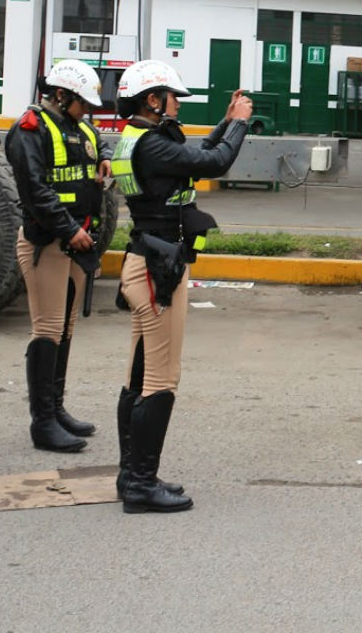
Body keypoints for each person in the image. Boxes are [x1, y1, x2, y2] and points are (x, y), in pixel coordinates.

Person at [111, 60, 251, 513]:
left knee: (138, 375)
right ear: (153, 100)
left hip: (145, 260)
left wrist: (226, 123)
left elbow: (194, 159)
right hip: (158, 269)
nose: (177, 104)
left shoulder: (140, 139)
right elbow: (216, 162)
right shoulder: (152, 145)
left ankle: (131, 474)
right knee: (161, 378)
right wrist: (241, 125)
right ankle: (141, 484)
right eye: (173, 97)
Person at [5, 59, 110, 453]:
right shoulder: (30, 129)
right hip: (47, 243)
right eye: (82, 102)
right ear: (61, 95)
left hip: (77, 244)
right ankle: (42, 422)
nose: (88, 110)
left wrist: (103, 155)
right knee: (47, 329)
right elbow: (34, 190)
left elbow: (96, 140)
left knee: (65, 328)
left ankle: (57, 408)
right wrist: (70, 230)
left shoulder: (79, 125)